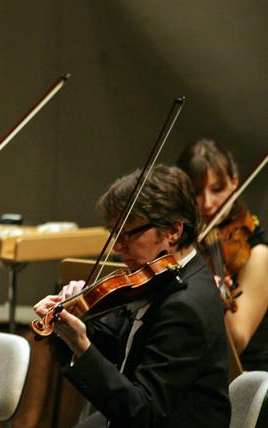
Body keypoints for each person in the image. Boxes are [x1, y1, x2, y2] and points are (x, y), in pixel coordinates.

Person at [33, 164, 231, 427]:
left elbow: (143, 413)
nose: (117, 247)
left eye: (128, 233)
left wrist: (82, 345)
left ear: (173, 230)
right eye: (115, 233)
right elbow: (124, 348)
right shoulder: (163, 278)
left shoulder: (186, 304)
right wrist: (67, 328)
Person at [177, 139, 268, 369]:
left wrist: (213, 293)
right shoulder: (180, 239)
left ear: (235, 183)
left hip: (244, 380)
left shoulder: (258, 253)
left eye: (217, 189)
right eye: (196, 192)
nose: (207, 204)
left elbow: (238, 341)